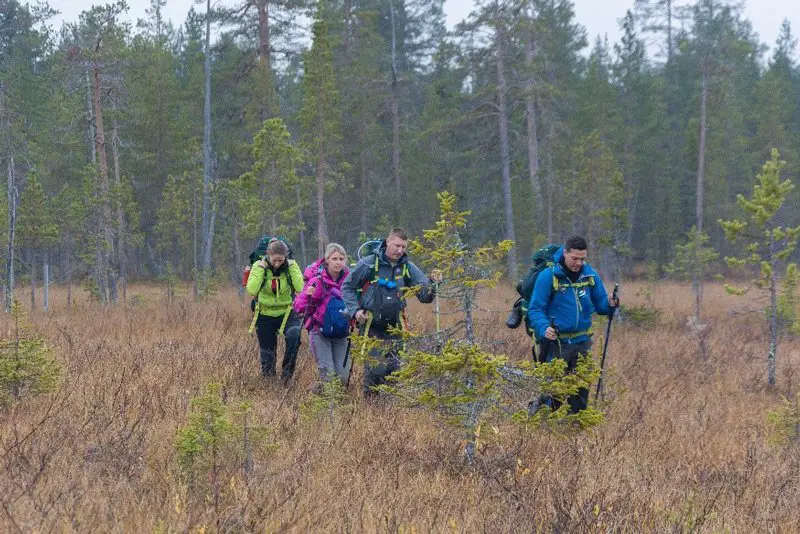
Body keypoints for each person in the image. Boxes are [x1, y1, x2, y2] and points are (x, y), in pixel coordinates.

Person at [342, 227, 442, 397]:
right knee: (376, 371)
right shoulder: (368, 263)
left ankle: (389, 414)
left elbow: (425, 297)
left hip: (397, 327)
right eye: (397, 245)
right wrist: (356, 311)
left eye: (404, 247)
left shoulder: (407, 267)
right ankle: (371, 411)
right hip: (371, 326)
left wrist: (433, 283)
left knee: (394, 372)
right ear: (388, 241)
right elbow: (347, 287)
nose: (400, 250)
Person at [527, 236, 619, 413]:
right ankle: (539, 424)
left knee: (580, 391)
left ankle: (575, 431)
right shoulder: (549, 276)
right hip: (557, 343)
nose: (578, 263)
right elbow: (535, 309)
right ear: (565, 253)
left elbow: (601, 305)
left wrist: (610, 304)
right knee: (554, 394)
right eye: (574, 258)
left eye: (582, 259)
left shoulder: (590, 275)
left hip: (582, 342)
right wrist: (543, 328)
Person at [293, 243, 352, 388]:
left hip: (342, 333)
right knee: (328, 375)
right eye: (335, 259)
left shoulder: (350, 281)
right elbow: (298, 306)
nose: (338, 262)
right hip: (319, 332)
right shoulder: (317, 280)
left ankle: (317, 392)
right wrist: (308, 296)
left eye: (341, 259)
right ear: (327, 260)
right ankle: (327, 407)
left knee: (343, 377)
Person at [246, 238, 304, 382]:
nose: (277, 264)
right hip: (264, 313)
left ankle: (286, 376)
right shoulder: (258, 266)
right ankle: (269, 383)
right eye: (274, 260)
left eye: (281, 260)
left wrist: (292, 267)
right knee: (268, 353)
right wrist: (260, 268)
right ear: (268, 255)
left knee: (294, 336)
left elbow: (300, 288)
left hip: (287, 312)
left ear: (286, 256)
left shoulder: (291, 266)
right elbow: (252, 290)